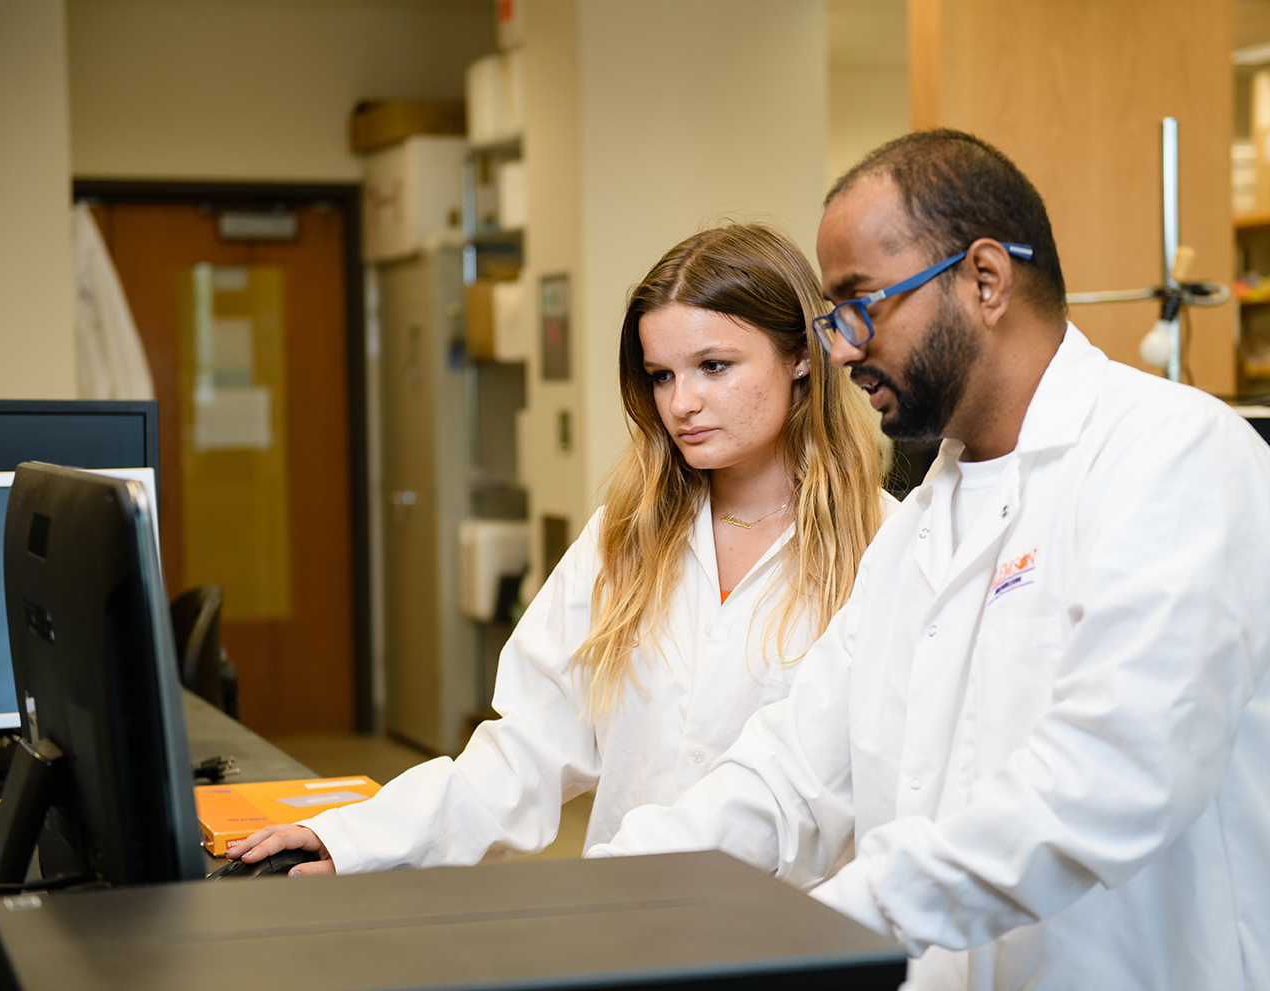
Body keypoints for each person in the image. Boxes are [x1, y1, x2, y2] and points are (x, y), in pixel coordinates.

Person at [590, 131, 1270, 989]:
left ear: (984, 279)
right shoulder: (920, 527)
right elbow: (792, 773)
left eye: (860, 303)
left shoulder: (1176, 459)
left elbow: (1110, 774)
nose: (841, 349)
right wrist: (610, 890)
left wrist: (836, 924)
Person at [227, 223, 896, 875]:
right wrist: (354, 837)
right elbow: (527, 750)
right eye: (661, 375)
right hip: (628, 929)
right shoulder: (626, 536)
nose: (682, 402)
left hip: (795, 944)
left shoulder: (885, 547)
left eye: (713, 366)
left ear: (803, 357)